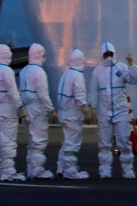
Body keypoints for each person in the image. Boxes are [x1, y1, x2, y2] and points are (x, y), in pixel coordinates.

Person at [89, 41, 137, 179]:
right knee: (104, 143)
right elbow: (93, 91)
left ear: (114, 53)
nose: (108, 56)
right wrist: (93, 107)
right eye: (106, 54)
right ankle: (105, 169)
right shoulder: (97, 71)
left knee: (124, 141)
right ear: (102, 55)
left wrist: (131, 65)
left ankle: (128, 169)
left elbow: (134, 80)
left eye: (110, 54)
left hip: (121, 111)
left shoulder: (122, 67)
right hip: (104, 112)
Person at [0, 44, 25, 181]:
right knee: (8, 141)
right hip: (7, 109)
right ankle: (8, 172)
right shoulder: (7, 71)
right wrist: (20, 107)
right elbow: (13, 92)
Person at [18, 42, 55, 179]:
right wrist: (51, 109)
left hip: (26, 108)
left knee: (32, 141)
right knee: (39, 140)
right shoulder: (39, 72)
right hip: (37, 108)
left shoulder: (24, 71)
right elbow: (43, 94)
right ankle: (38, 171)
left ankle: (31, 169)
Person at [56, 48, 90, 180]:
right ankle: (70, 171)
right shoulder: (77, 76)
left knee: (66, 141)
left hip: (64, 113)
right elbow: (80, 95)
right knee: (72, 143)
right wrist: (85, 110)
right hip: (72, 114)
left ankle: (62, 167)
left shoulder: (66, 74)